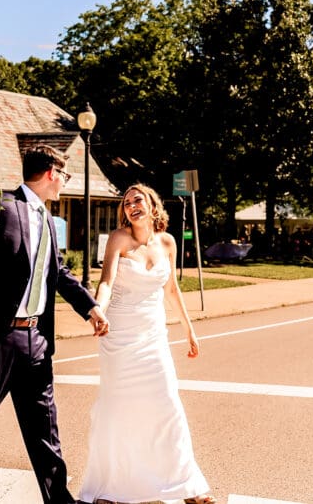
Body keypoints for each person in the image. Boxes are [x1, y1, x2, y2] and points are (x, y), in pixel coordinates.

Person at [0, 145, 110, 504]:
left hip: (37, 339)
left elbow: (58, 273)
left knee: (45, 429)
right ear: (51, 173)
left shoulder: (47, 219)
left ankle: (59, 500)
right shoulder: (1, 206)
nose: (65, 182)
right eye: (64, 176)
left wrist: (91, 307)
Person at [78, 183, 214, 504]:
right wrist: (98, 309)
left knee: (167, 404)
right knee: (117, 407)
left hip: (153, 335)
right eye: (126, 203)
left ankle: (187, 486)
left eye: (137, 200)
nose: (131, 206)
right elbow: (107, 281)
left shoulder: (167, 242)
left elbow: (171, 291)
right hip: (120, 334)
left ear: (153, 205)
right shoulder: (118, 239)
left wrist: (189, 329)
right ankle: (110, 488)